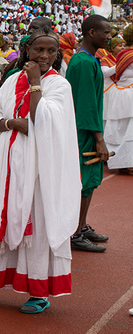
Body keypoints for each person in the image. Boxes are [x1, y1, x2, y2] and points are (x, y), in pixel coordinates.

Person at [0, 31, 81, 315]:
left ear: (57, 55)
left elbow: (42, 121)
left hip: (38, 171)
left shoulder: (59, 85)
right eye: (38, 50)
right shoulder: (12, 80)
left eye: (51, 51)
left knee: (36, 226)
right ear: (27, 51)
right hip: (5, 164)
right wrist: (14, 123)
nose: (44, 56)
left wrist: (35, 83)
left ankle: (38, 293)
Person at [66, 15, 111, 253]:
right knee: (83, 181)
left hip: (86, 128)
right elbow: (86, 104)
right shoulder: (83, 62)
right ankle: (74, 232)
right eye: (106, 32)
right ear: (91, 32)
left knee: (90, 180)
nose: (109, 37)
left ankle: (81, 226)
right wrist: (99, 139)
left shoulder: (89, 59)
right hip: (82, 130)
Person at [104, 48, 133, 172]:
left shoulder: (124, 55)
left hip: (120, 93)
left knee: (122, 128)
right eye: (119, 45)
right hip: (127, 95)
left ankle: (122, 161)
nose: (121, 47)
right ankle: (126, 162)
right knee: (127, 129)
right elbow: (106, 73)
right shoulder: (129, 56)